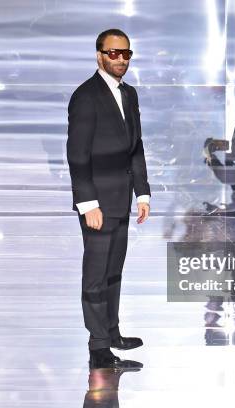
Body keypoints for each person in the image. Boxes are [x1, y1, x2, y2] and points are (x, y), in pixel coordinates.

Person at [67, 28, 149, 370]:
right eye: (114, 53)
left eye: (126, 54)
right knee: (97, 275)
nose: (120, 59)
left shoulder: (129, 94)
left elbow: (136, 146)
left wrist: (142, 191)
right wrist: (88, 203)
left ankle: (112, 331)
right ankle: (98, 347)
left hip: (122, 199)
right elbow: (77, 153)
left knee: (114, 270)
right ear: (100, 54)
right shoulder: (86, 96)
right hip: (98, 202)